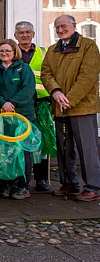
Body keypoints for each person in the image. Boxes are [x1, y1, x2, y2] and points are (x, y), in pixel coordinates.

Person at [41, 14, 100, 202]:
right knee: (64, 148)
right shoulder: (52, 50)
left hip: (82, 108)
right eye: (57, 27)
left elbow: (88, 76)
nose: (60, 30)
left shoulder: (88, 46)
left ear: (74, 26)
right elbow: (46, 73)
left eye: (63, 26)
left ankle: (92, 186)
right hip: (60, 107)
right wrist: (56, 92)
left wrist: (70, 100)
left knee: (87, 148)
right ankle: (69, 184)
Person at [0, 39, 36, 200]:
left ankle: (23, 184)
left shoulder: (23, 69)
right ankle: (7, 182)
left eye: (7, 51)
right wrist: (3, 103)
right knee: (4, 151)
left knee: (23, 151)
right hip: (2, 117)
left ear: (14, 52)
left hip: (22, 115)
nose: (4, 53)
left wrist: (12, 103)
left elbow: (28, 89)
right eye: (1, 51)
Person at [14, 21, 50, 191]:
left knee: (41, 141)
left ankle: (41, 179)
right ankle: (20, 178)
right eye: (21, 32)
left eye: (28, 32)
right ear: (15, 36)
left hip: (42, 102)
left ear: (33, 34)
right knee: (21, 141)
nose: (25, 35)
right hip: (21, 104)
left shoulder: (44, 53)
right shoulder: (12, 52)